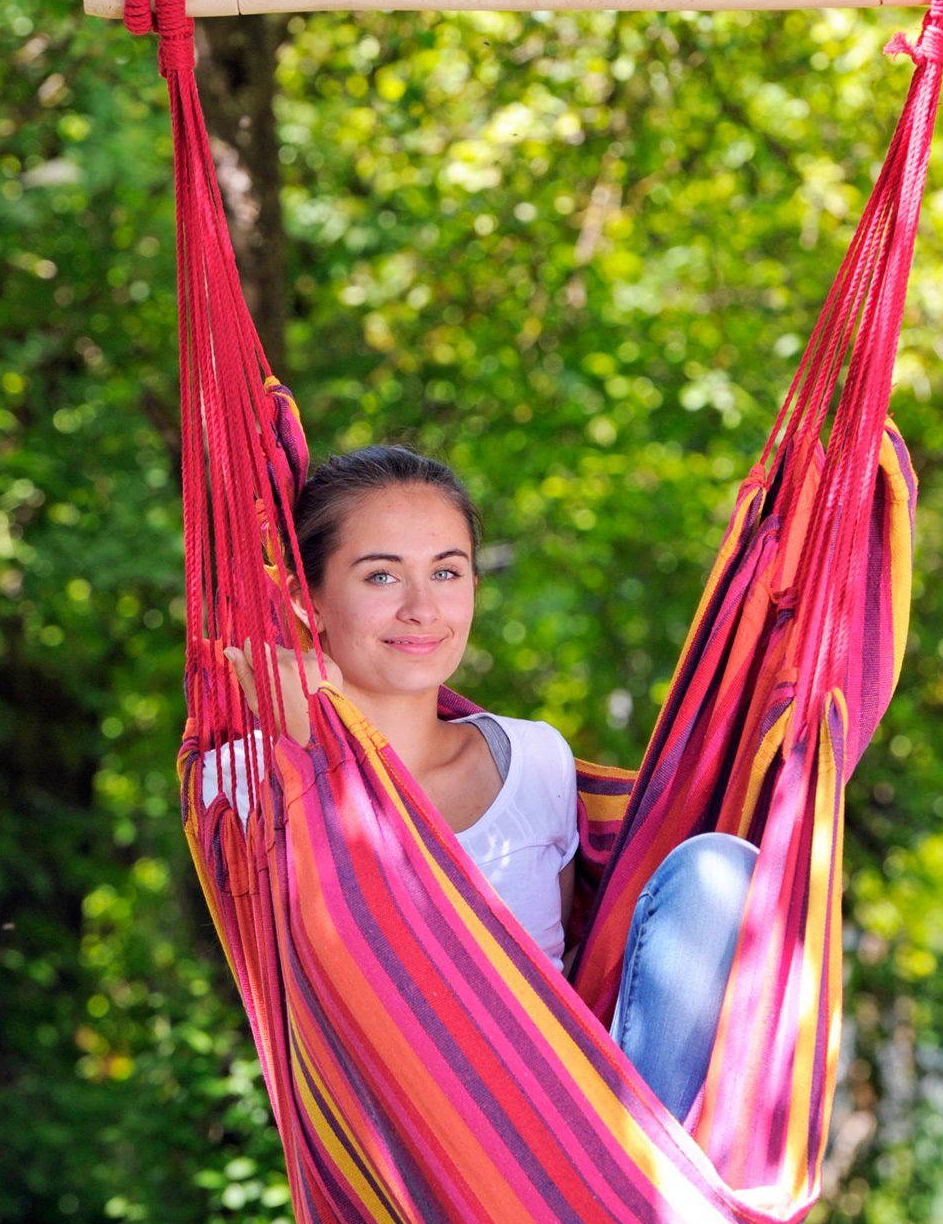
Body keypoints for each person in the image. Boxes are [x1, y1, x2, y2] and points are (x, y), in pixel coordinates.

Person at [204, 444, 757, 1126]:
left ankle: (645, 1172)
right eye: (381, 576)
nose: (422, 608)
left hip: (574, 1127)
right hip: (419, 1150)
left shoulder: (533, 761)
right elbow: (352, 967)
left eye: (446, 572)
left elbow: (564, 972)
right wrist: (319, 752)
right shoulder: (243, 785)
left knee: (717, 872)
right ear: (305, 600)